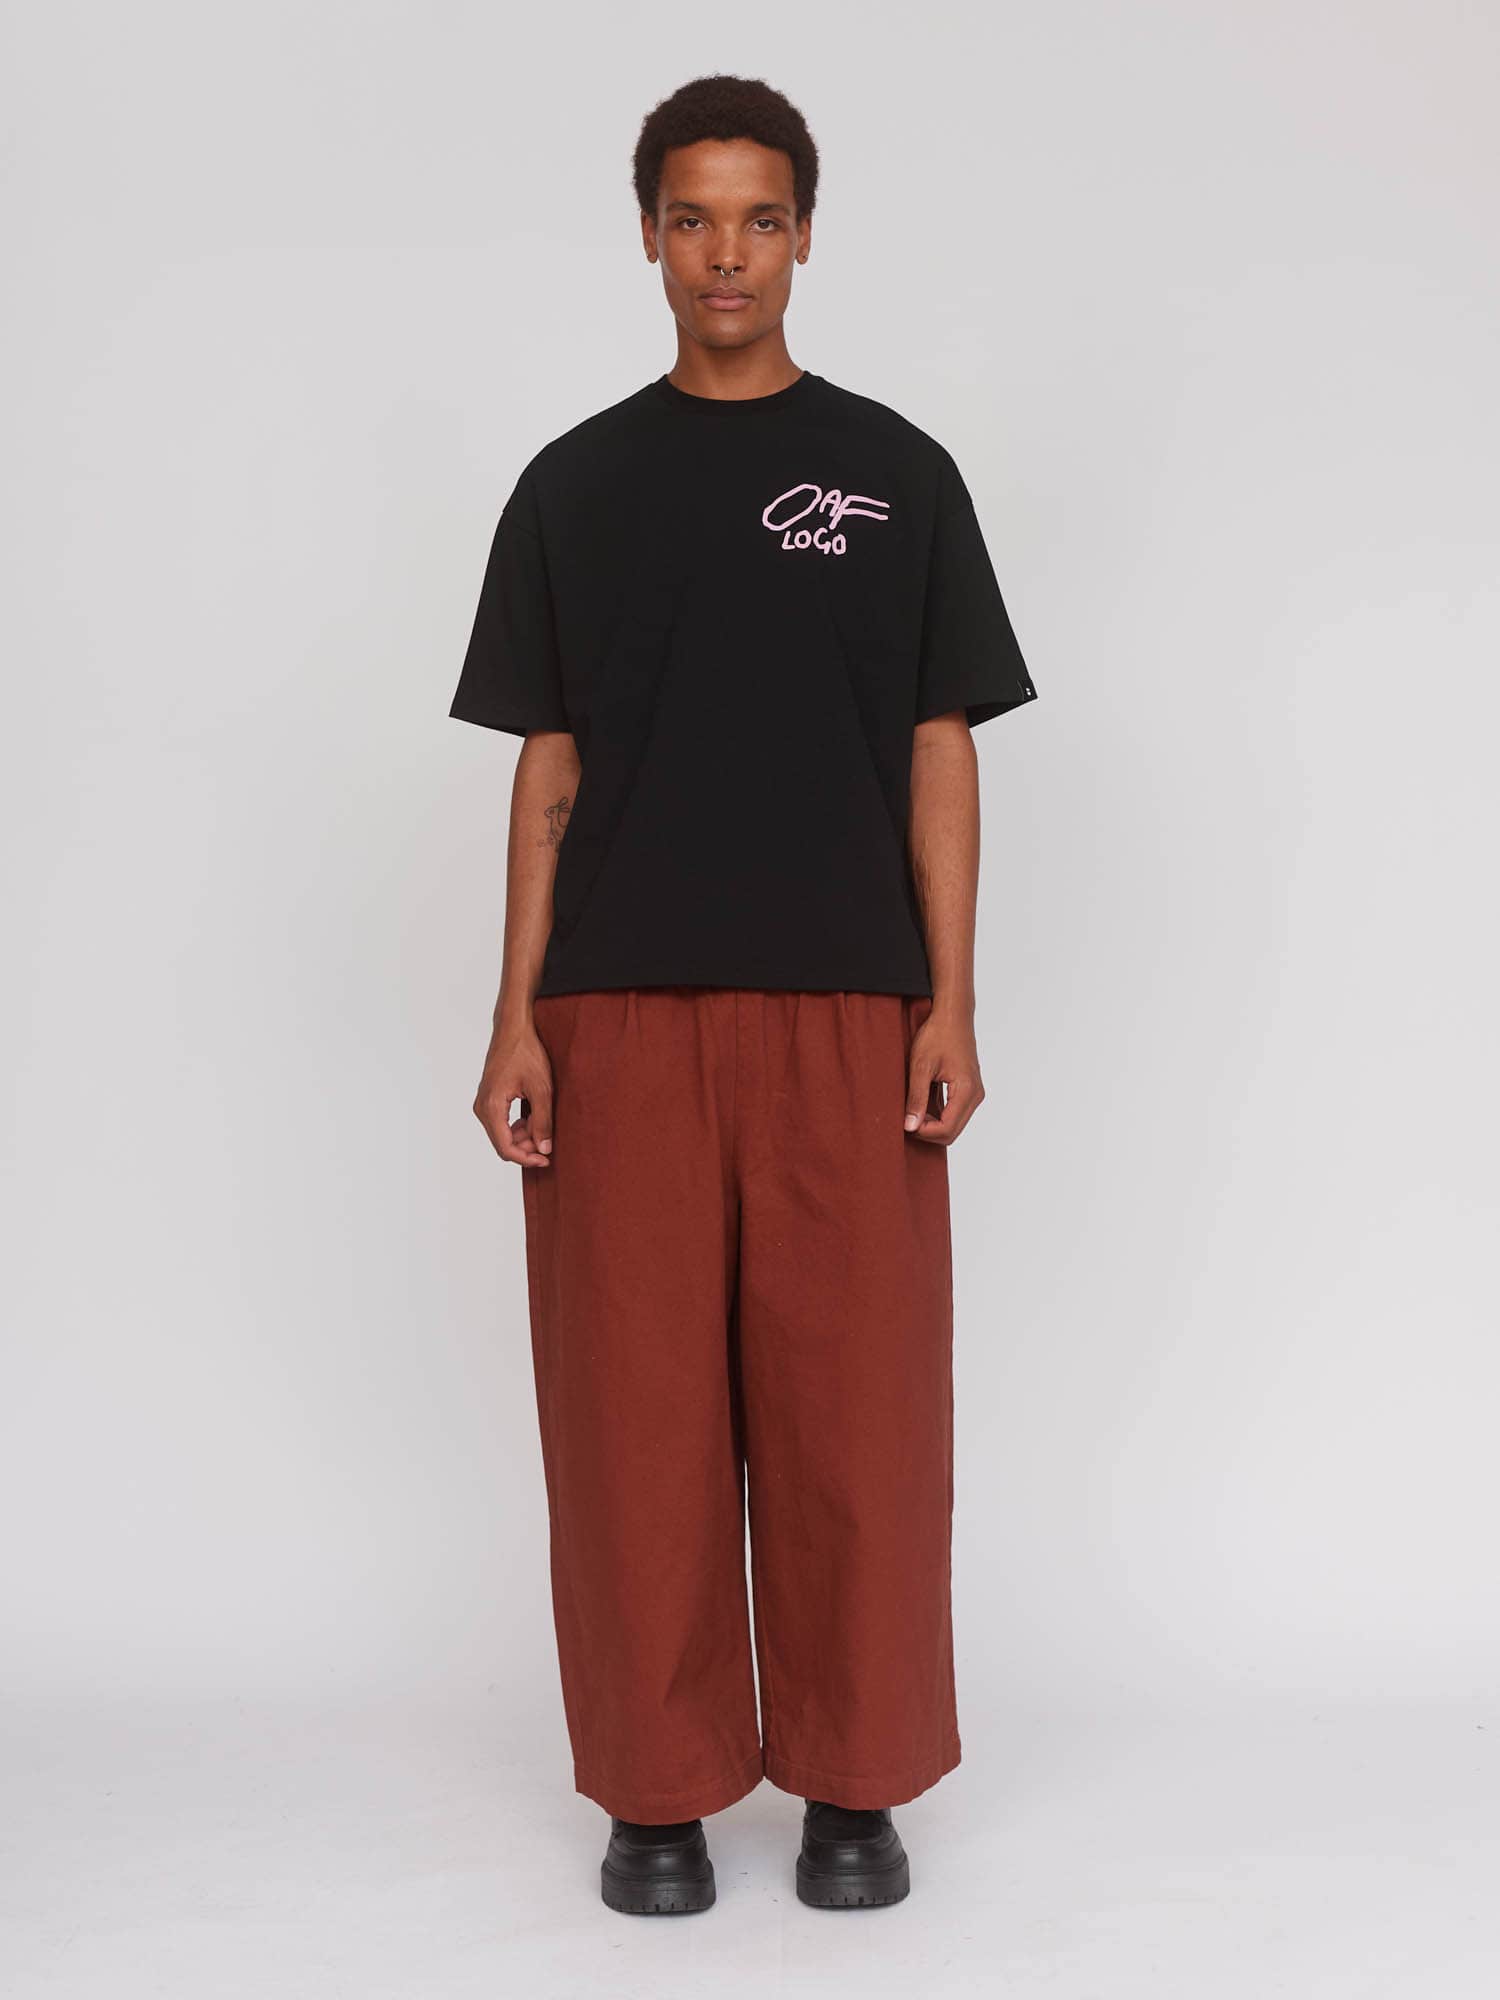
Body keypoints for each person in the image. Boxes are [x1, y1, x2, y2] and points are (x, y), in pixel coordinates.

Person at [448, 72, 1037, 1915]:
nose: (727, 254)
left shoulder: (897, 475)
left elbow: (941, 749)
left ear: (804, 236)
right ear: (647, 235)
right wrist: (513, 1011)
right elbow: (548, 765)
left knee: (858, 1413)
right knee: (632, 1424)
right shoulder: (575, 486)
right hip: (618, 1013)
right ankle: (659, 1795)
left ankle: (856, 1787)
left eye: (760, 219)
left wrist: (952, 1000)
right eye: (693, 218)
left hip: (850, 1012)